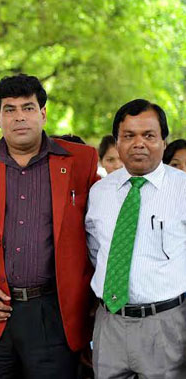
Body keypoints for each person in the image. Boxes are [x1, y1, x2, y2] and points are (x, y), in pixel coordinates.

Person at [0, 74, 99, 378]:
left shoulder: (80, 160)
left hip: (54, 313)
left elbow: (99, 230)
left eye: (28, 107)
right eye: (9, 109)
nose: (19, 117)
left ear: (43, 114)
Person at [85, 99, 186, 378]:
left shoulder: (182, 190)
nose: (138, 143)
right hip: (110, 322)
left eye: (149, 135)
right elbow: (96, 251)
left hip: (165, 325)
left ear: (164, 142)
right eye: (129, 136)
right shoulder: (100, 192)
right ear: (117, 143)